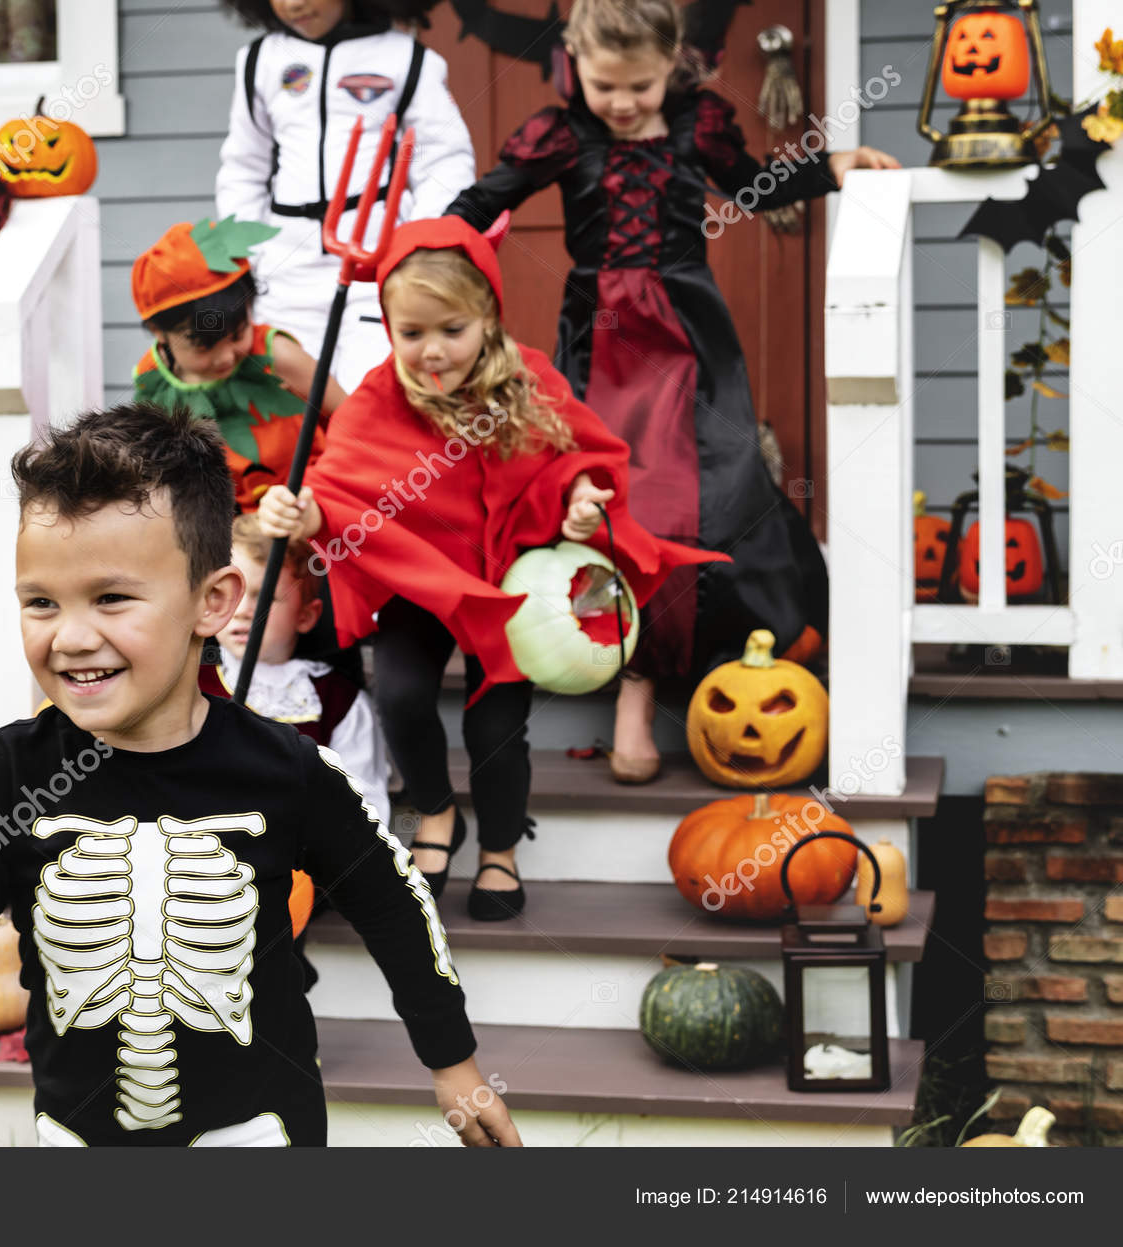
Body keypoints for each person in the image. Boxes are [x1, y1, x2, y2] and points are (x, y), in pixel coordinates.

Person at [0, 403, 519, 1148]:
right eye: (42, 602)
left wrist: (453, 1059)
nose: (73, 636)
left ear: (211, 603)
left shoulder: (290, 771)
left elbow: (394, 909)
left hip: (264, 1135)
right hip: (78, 1142)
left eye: (112, 598)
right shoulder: (6, 778)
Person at [447, 0, 899, 783]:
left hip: (692, 337)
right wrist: (429, 256)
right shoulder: (563, 135)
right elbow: (480, 205)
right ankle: (633, 687)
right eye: (605, 84)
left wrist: (833, 167)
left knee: (722, 489)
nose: (622, 103)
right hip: (602, 342)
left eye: (641, 87)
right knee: (623, 502)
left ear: (673, 67)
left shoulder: (699, 126)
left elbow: (755, 191)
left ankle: (732, 665)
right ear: (576, 67)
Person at [257, 217, 722, 921]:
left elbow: (577, 459)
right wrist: (303, 515)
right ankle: (439, 811)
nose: (432, 351)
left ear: (488, 317)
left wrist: (580, 501)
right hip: (422, 584)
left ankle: (501, 845)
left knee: (496, 722)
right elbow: (340, 489)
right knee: (405, 695)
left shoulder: (529, 382)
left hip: (514, 586)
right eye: (410, 333)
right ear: (388, 327)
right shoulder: (381, 398)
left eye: (452, 329)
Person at [215, 0, 475, 391]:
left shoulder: (405, 58)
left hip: (377, 268)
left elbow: (443, 162)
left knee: (369, 392)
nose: (293, 4)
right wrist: (247, 258)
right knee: (287, 404)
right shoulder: (260, 60)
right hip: (285, 270)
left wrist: (416, 249)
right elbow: (243, 168)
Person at [132, 216, 347, 514]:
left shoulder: (277, 356)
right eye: (203, 345)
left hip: (304, 509)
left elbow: (352, 419)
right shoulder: (151, 379)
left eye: (237, 335)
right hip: (219, 527)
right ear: (158, 331)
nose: (226, 357)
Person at [206, 514, 393, 827]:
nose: (242, 611)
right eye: (230, 593)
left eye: (265, 597)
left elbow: (364, 808)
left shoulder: (337, 702)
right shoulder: (188, 684)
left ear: (306, 616)